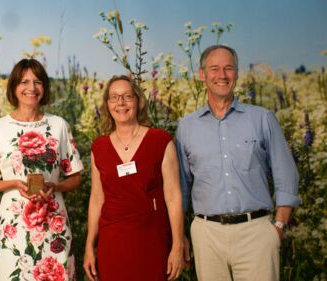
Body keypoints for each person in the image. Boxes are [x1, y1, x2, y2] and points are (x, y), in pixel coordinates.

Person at [176, 45, 301, 281]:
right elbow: (181, 188)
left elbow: (287, 176)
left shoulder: (262, 118)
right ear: (202, 74)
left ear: (237, 73)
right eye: (214, 68)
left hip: (256, 233)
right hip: (206, 235)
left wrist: (278, 227)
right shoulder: (186, 127)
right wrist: (180, 235)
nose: (222, 75)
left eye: (228, 68)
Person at [0, 58, 83, 281]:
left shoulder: (59, 126)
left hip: (54, 224)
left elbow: (75, 177)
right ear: (14, 87)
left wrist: (56, 185)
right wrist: (14, 183)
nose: (31, 88)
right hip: (14, 229)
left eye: (37, 82)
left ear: (45, 87)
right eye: (24, 82)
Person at [83, 75, 185, 281]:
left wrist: (177, 246)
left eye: (127, 96)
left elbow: (173, 197)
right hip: (112, 243)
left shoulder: (160, 140)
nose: (120, 103)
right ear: (107, 104)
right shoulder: (99, 147)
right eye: (114, 97)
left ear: (138, 101)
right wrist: (88, 248)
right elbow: (96, 200)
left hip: (152, 241)